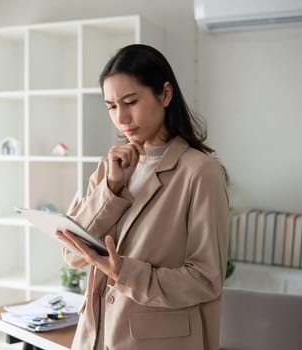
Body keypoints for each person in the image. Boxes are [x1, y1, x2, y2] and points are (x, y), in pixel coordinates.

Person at [56, 44, 229, 350]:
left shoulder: (201, 172)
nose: (121, 117)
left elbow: (206, 279)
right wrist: (110, 189)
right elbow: (72, 256)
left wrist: (124, 272)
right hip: (95, 338)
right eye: (111, 106)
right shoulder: (108, 167)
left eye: (130, 102)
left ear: (165, 94)